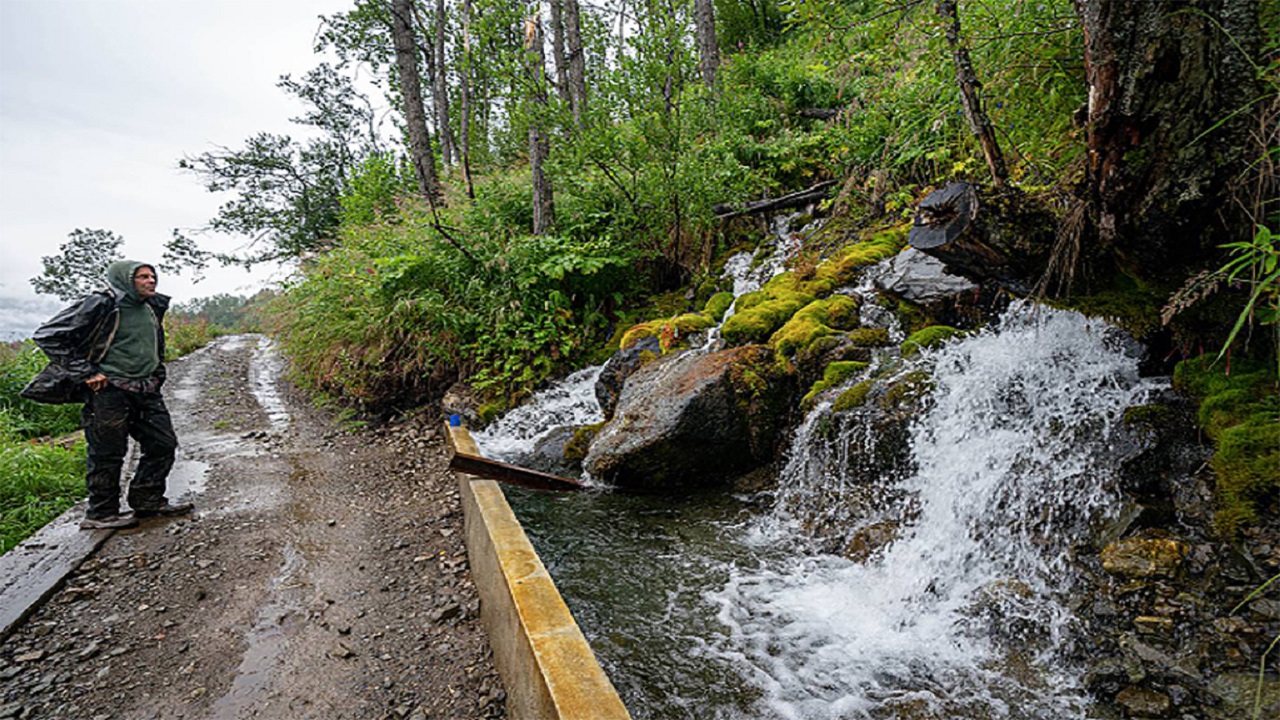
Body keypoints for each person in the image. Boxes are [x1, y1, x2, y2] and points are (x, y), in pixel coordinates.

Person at [28, 261, 194, 530]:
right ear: (125, 280)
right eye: (142, 276)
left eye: (152, 276)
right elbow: (49, 335)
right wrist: (87, 373)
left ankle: (148, 499)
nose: (151, 281)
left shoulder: (152, 306)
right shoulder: (101, 303)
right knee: (107, 452)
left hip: (145, 388)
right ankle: (101, 514)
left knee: (162, 443)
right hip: (108, 393)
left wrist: (155, 372)